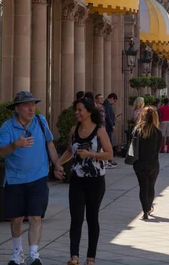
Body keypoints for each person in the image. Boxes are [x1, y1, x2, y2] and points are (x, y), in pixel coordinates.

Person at [0, 91, 58, 265]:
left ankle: (34, 254)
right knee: (16, 218)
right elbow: (2, 152)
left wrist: (57, 163)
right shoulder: (7, 127)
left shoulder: (40, 121)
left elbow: (49, 143)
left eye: (33, 104)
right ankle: (17, 252)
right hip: (15, 179)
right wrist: (16, 144)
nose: (31, 108)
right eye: (26, 105)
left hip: (38, 177)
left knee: (35, 216)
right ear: (17, 109)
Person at [54, 96, 113, 265]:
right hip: (77, 180)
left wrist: (90, 154)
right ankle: (74, 256)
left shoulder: (99, 131)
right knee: (76, 218)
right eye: (76, 110)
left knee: (92, 218)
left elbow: (109, 154)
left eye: (80, 110)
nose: (77, 113)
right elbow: (69, 151)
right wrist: (58, 163)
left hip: (96, 181)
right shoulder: (74, 130)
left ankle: (91, 257)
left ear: (88, 111)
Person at [132, 106, 163, 220]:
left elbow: (134, 147)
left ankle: (144, 210)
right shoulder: (157, 132)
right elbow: (158, 149)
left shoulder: (137, 130)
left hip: (140, 163)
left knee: (143, 187)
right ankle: (149, 207)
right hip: (153, 163)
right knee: (151, 186)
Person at [103, 93, 118, 169]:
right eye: (114, 100)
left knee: (109, 142)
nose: (114, 102)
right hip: (108, 127)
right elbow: (107, 115)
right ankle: (108, 159)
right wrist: (112, 125)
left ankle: (109, 159)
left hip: (109, 126)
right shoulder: (107, 104)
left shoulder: (108, 104)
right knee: (109, 143)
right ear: (112, 98)